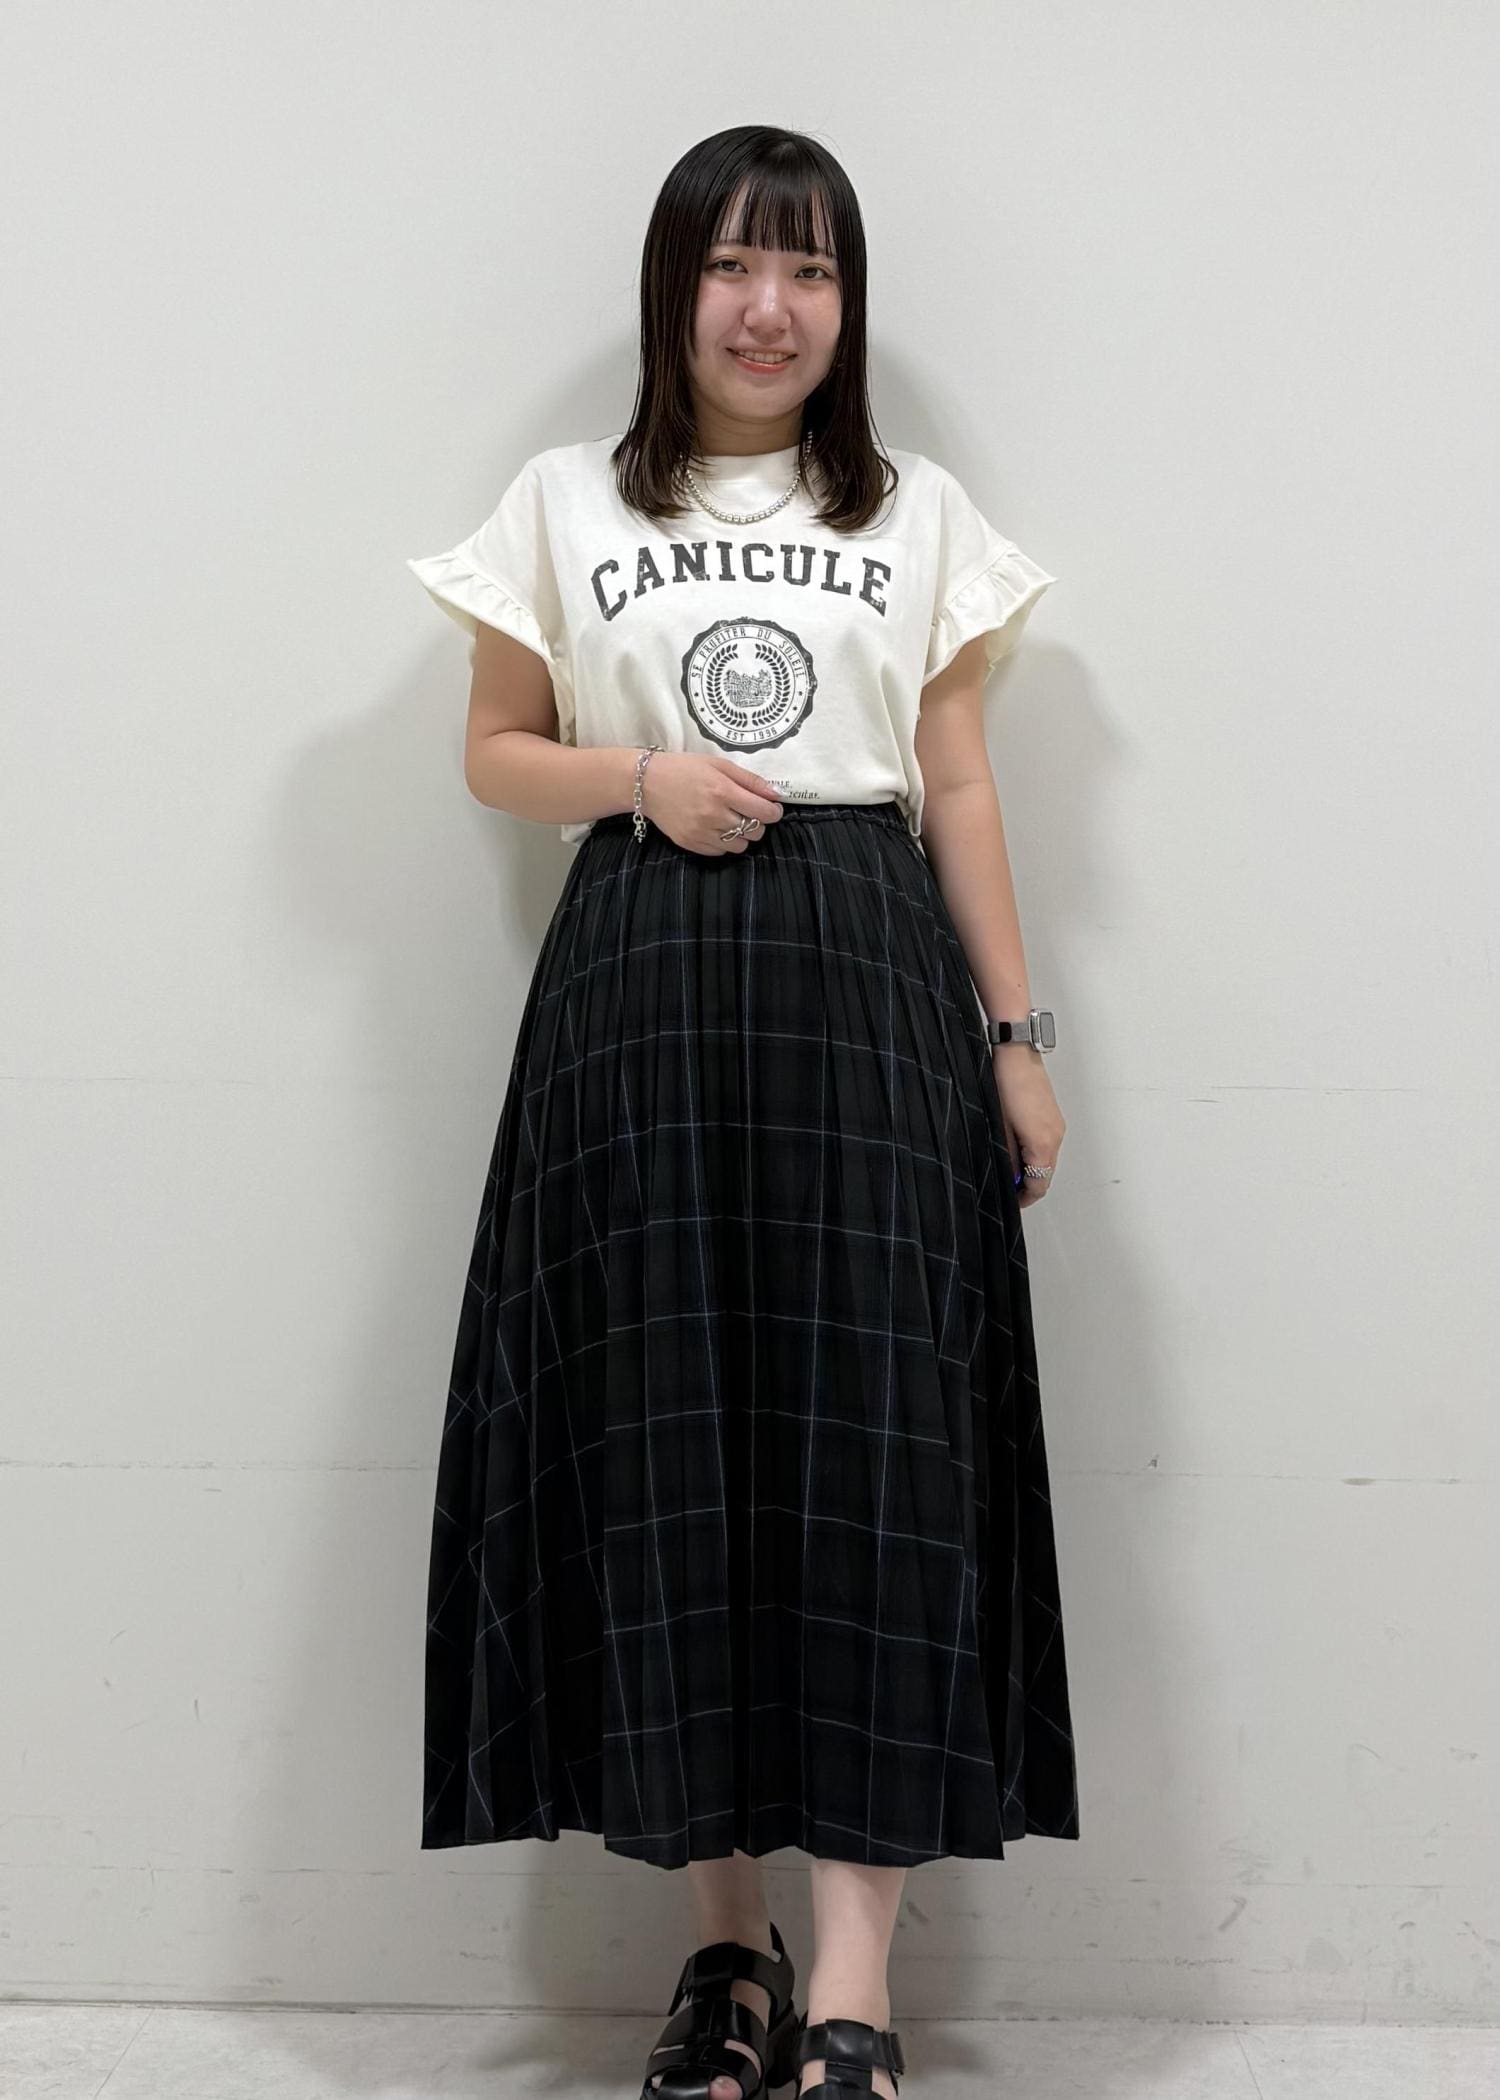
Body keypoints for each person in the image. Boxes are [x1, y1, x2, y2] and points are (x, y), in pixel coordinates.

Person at [406, 123, 1079, 2100]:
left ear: (847, 305)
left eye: (809, 270)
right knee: (663, 1435)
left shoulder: (915, 514)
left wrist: (1015, 1031)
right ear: (672, 289)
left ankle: (857, 1983)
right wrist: (639, 780)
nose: (768, 308)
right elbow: (494, 752)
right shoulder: (565, 502)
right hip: (637, 985)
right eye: (730, 265)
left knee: (881, 1443)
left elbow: (957, 779)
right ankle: (729, 1951)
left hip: (867, 977)